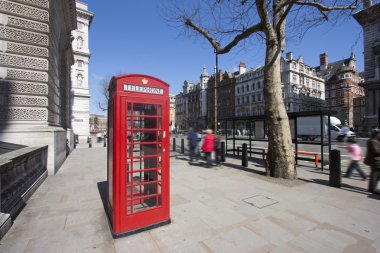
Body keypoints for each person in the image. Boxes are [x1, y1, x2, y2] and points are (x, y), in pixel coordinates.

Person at [366, 129, 380, 194]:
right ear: (376, 134)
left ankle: (371, 188)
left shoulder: (375, 141)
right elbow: (376, 151)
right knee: (375, 176)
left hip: (375, 161)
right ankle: (373, 189)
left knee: (374, 176)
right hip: (375, 161)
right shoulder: (373, 141)